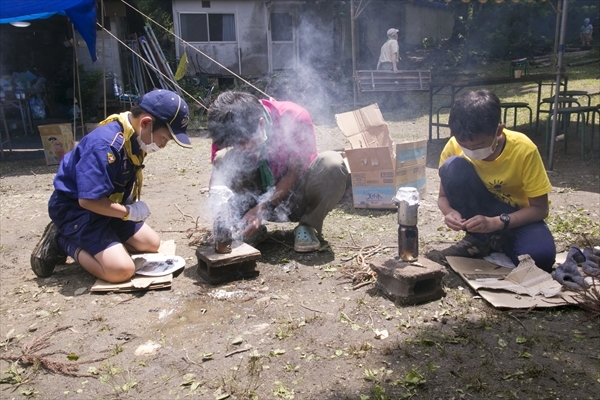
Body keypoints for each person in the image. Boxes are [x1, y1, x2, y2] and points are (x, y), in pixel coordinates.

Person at [30, 89, 192, 283]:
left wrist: (127, 208)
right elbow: (88, 201)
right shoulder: (105, 145)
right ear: (146, 123)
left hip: (106, 207)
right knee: (120, 271)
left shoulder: (134, 138)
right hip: (77, 210)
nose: (163, 145)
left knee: (151, 244)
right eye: (165, 138)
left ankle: (104, 244)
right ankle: (62, 240)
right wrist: (128, 212)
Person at [425, 90, 556, 272]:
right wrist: (449, 212)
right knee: (452, 165)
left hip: (518, 216)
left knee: (540, 260)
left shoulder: (524, 149)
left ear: (499, 130)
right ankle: (480, 239)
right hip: (480, 214)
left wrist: (498, 222)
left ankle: (498, 241)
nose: (471, 150)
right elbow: (443, 197)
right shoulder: (453, 146)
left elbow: (540, 209)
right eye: (464, 145)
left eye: (478, 145)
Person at [207, 91, 349, 253]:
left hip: (295, 196)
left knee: (331, 163)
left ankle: (308, 227)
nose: (241, 149)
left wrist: (262, 208)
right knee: (223, 158)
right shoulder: (226, 125)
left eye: (245, 143)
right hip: (254, 196)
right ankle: (245, 226)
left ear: (261, 124)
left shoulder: (294, 118)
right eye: (236, 145)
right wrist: (220, 216)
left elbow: (293, 174)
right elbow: (217, 182)